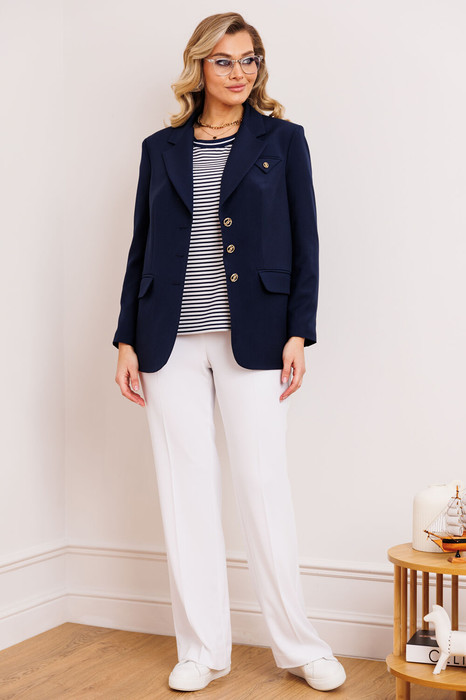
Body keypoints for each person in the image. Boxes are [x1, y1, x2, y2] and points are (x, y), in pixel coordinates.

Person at [113, 11, 346, 694]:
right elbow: (140, 245)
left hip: (259, 336)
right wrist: (125, 337)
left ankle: (299, 646)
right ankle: (202, 650)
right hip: (168, 340)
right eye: (224, 60)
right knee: (185, 492)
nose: (240, 72)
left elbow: (307, 241)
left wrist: (300, 330)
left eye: (249, 59)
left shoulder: (284, 140)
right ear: (199, 67)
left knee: (263, 486)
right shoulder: (161, 147)